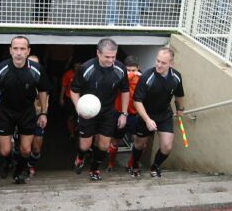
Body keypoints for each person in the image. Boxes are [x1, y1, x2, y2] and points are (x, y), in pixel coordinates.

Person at [0, 36, 51, 184]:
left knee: (26, 150)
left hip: (27, 112)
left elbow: (43, 91)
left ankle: (19, 171)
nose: (19, 52)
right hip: (5, 112)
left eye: (22, 49)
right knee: (5, 151)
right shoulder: (0, 69)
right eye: (15, 48)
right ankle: (7, 163)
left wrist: (44, 113)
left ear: (28, 51)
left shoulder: (36, 70)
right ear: (10, 50)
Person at [70, 38, 130, 181]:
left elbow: (125, 90)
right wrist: (80, 108)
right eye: (107, 57)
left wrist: (124, 113)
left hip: (108, 112)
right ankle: (80, 156)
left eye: (113, 57)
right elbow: (74, 90)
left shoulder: (120, 68)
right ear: (98, 53)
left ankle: (95, 169)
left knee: (104, 145)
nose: (111, 60)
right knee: (85, 146)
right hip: (88, 112)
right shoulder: (86, 68)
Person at [130, 47, 185, 178]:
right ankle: (135, 164)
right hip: (146, 115)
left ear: (171, 64)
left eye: (163, 63)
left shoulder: (176, 76)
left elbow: (179, 95)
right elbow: (137, 101)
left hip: (164, 114)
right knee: (140, 144)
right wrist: (147, 120)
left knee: (167, 147)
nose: (159, 65)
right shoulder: (147, 77)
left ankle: (155, 166)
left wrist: (180, 108)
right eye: (158, 61)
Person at [107, 55, 141, 172]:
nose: (131, 73)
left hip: (135, 115)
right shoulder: (118, 77)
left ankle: (131, 164)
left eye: (134, 70)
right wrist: (129, 76)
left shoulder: (142, 80)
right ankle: (111, 163)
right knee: (115, 140)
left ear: (138, 68)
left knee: (138, 140)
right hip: (119, 113)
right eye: (128, 70)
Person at [59, 62, 81, 140]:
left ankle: (78, 131)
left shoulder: (85, 73)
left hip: (82, 100)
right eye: (76, 65)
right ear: (73, 66)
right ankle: (71, 134)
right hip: (69, 98)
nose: (77, 67)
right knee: (70, 117)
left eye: (79, 65)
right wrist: (61, 98)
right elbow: (63, 86)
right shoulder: (68, 74)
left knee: (80, 117)